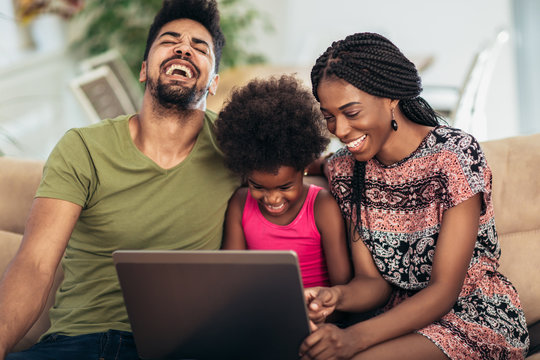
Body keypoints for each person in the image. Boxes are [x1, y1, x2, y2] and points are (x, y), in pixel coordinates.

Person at [0, 0, 240, 359]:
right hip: (75, 344)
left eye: (199, 47)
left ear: (214, 82)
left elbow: (299, 165)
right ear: (144, 69)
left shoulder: (236, 146)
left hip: (174, 348)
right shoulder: (83, 147)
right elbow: (35, 264)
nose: (183, 47)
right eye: (169, 40)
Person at [298, 32, 530, 360]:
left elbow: (444, 291)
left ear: (390, 97)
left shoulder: (454, 156)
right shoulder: (346, 171)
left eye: (351, 113)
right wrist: (335, 296)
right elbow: (371, 282)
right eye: (329, 117)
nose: (340, 130)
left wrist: (352, 338)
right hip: (398, 320)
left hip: (473, 317)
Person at [216, 75, 351, 289]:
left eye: (284, 187)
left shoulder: (322, 207)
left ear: (305, 167)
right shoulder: (240, 205)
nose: (272, 198)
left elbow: (342, 288)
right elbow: (232, 278)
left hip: (319, 316)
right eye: (257, 187)